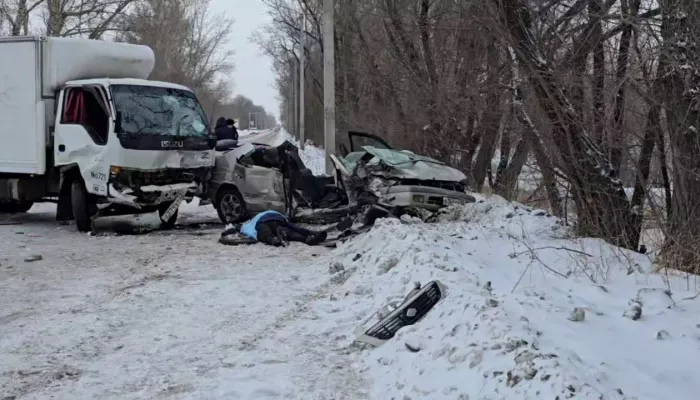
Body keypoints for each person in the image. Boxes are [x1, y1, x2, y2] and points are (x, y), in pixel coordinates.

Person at [240, 210, 327, 247]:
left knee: (265, 234)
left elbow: (246, 230)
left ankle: (274, 240)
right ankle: (307, 238)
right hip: (279, 220)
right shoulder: (271, 213)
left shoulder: (251, 222)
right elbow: (295, 227)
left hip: (263, 223)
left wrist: (227, 232)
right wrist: (311, 232)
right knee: (290, 231)